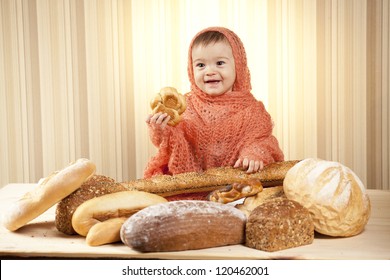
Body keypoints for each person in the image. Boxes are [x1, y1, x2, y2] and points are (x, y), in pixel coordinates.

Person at [144, 26, 284, 178]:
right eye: (201, 65)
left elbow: (263, 140)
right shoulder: (186, 107)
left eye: (219, 63)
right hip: (192, 182)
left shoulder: (252, 111)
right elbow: (173, 142)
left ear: (238, 65)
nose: (209, 71)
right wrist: (161, 129)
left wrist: (254, 154)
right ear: (191, 69)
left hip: (236, 184)